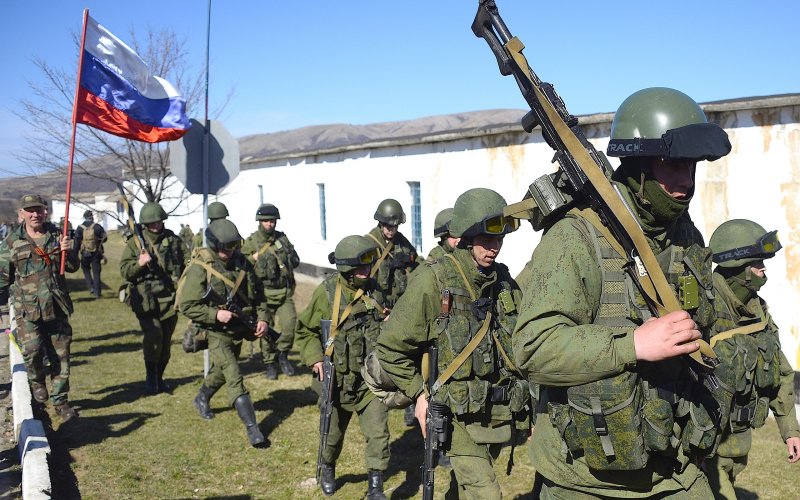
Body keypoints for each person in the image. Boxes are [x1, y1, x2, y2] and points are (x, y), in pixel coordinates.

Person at [512, 87, 733, 497]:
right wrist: (633, 344)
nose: (686, 182)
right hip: (585, 479)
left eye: (692, 166)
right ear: (639, 165)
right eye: (674, 165)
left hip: (675, 467)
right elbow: (532, 348)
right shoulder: (576, 237)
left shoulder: (684, 237)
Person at [376, 188, 529, 500]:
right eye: (487, 239)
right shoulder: (433, 280)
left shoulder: (502, 281)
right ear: (467, 237)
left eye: (499, 239)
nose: (495, 248)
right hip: (453, 413)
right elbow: (390, 347)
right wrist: (419, 395)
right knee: (486, 494)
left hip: (494, 414)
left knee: (464, 488)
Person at [705, 219, 800, 499]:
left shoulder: (758, 311)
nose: (763, 269)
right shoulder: (704, 310)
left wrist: (790, 431)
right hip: (705, 447)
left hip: (737, 443)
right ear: (741, 267)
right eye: (758, 262)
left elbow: (781, 372)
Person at [296, 235, 390, 499]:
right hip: (336, 383)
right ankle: (328, 467)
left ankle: (376, 484)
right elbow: (304, 330)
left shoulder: (375, 291)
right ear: (347, 268)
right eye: (361, 267)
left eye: (369, 265)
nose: (367, 271)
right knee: (332, 436)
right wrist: (315, 359)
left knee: (378, 433)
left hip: (369, 382)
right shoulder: (326, 293)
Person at [179, 219, 269, 447]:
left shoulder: (242, 263)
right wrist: (215, 315)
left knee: (221, 371)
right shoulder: (201, 267)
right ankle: (253, 429)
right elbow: (187, 306)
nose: (229, 252)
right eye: (224, 248)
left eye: (233, 246)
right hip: (215, 331)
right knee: (233, 374)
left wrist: (263, 319)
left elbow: (259, 296)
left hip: (239, 329)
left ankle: (202, 397)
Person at [0, 194, 80, 421]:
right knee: (32, 350)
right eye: (30, 210)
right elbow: (2, 277)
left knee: (61, 355)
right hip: (27, 310)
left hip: (56, 305)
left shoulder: (58, 236)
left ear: (46, 211)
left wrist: (68, 250)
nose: (35, 214)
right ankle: (37, 382)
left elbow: (72, 267)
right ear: (22, 214)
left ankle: (60, 401)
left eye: (39, 209)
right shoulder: (12, 241)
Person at [120, 202, 187, 395]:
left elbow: (186, 263)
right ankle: (150, 377)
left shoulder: (173, 240)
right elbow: (125, 271)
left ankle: (159, 377)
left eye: (159, 221)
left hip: (169, 297)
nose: (156, 225)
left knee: (165, 342)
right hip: (146, 298)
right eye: (152, 223)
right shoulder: (135, 243)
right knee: (154, 335)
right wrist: (140, 264)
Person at [402, 206, 460, 427]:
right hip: (432, 337)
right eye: (454, 235)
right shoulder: (432, 267)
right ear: (443, 236)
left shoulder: (459, 262)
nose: (460, 240)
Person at [241, 203, 300, 379]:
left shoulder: (282, 239)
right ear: (260, 221)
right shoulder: (252, 241)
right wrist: (252, 258)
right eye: (266, 221)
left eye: (272, 220)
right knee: (265, 329)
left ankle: (282, 354)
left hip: (283, 292)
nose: (269, 224)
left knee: (289, 326)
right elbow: (241, 265)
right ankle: (270, 363)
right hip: (263, 295)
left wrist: (289, 255)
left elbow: (295, 260)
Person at [365, 198, 418, 309]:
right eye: (389, 226)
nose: (392, 230)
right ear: (381, 222)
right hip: (379, 304)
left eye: (396, 226)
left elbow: (416, 260)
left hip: (400, 302)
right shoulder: (369, 242)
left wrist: (406, 259)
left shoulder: (400, 239)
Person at [74, 210, 107, 298]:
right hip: (96, 253)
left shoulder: (80, 228)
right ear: (92, 216)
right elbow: (105, 238)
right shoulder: (97, 227)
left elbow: (76, 243)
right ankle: (97, 293)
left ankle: (90, 287)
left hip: (84, 253)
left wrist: (75, 254)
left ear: (84, 217)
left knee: (86, 270)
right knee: (96, 273)